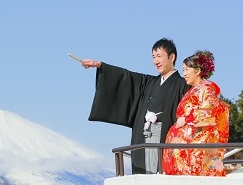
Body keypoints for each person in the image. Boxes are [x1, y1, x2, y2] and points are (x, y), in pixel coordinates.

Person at [80, 38, 189, 174]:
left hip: (165, 137)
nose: (156, 61)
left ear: (172, 57)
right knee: (143, 177)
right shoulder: (149, 82)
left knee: (160, 177)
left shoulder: (183, 85)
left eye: (159, 56)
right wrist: (100, 65)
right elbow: (126, 76)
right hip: (143, 135)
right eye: (153, 57)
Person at [162, 50, 229, 176]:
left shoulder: (206, 89)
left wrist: (186, 119)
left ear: (197, 71)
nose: (184, 74)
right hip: (187, 149)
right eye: (183, 70)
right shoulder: (195, 90)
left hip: (197, 149)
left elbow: (211, 112)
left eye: (187, 70)